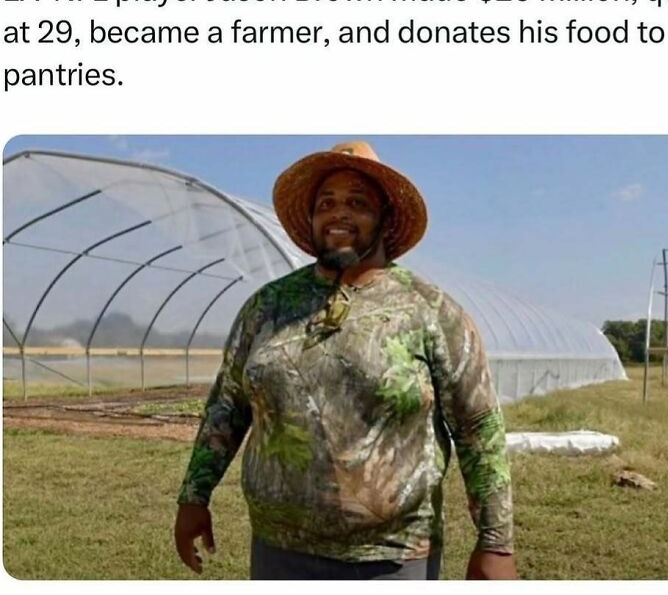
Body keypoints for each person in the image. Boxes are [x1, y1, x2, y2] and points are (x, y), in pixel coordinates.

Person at [174, 141, 516, 580]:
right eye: (327, 203)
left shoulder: (429, 311)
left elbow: (477, 427)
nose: (339, 213)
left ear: (385, 219)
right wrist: (194, 496)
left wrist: (495, 542)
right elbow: (227, 407)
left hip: (392, 558)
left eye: (358, 203)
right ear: (312, 218)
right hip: (279, 552)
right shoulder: (268, 307)